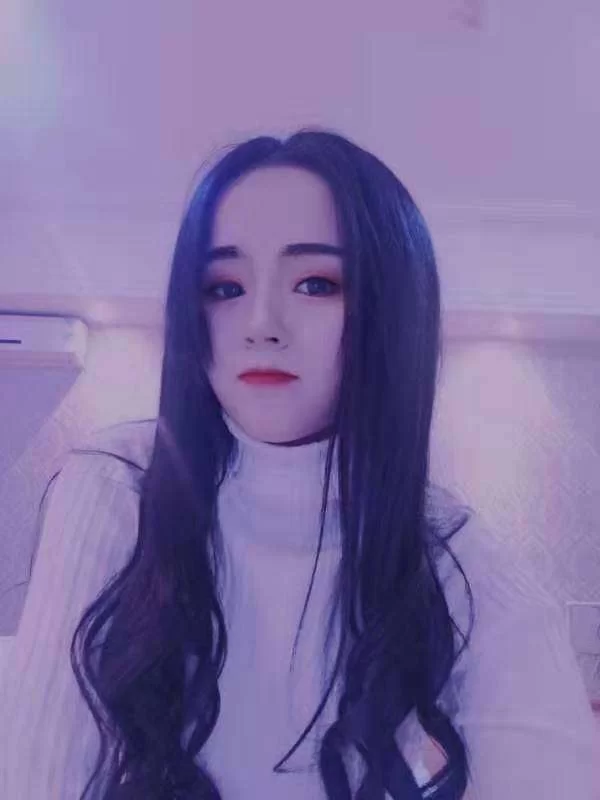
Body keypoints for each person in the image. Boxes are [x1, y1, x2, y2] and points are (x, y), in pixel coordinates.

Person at [0, 129, 597, 800]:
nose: (261, 323)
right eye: (224, 287)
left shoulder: (467, 567)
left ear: (392, 310)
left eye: (317, 283)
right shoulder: (118, 486)